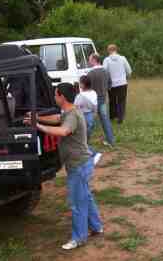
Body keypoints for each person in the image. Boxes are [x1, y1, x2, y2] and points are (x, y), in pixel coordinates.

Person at [26, 83, 103, 250]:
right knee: (85, 197)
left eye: (55, 94)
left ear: (62, 97)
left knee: (77, 202)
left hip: (78, 165)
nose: (54, 97)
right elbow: (56, 119)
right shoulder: (70, 112)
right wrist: (37, 117)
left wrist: (37, 126)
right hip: (80, 164)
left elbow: (63, 131)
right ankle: (97, 227)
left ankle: (79, 238)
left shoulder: (72, 116)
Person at [88, 53, 115, 147]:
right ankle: (111, 140)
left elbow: (87, 88)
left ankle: (85, 142)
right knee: (105, 119)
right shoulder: (106, 71)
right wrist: (104, 90)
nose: (89, 61)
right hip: (103, 98)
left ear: (94, 60)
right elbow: (110, 85)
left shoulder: (90, 73)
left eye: (90, 59)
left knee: (89, 121)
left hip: (93, 101)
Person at [74, 75, 102, 163]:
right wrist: (94, 115)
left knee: (80, 140)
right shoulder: (94, 93)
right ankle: (86, 155)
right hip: (90, 116)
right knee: (86, 138)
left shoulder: (80, 96)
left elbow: (75, 107)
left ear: (82, 84)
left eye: (80, 83)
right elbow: (95, 107)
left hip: (82, 117)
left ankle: (94, 154)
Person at [103, 44, 132, 124]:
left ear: (109, 50)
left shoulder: (106, 60)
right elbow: (129, 71)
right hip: (122, 83)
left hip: (111, 84)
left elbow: (104, 72)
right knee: (121, 101)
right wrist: (126, 77)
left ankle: (112, 116)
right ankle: (120, 118)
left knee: (112, 100)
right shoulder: (123, 58)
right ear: (116, 50)